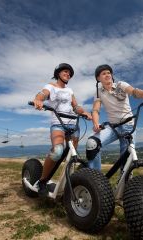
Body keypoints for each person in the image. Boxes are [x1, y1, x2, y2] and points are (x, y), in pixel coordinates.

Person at [86, 64, 143, 171]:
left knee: (126, 161)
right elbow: (95, 110)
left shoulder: (121, 85)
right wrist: (96, 124)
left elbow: (134, 92)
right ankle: (94, 179)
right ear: (98, 78)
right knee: (92, 144)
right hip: (113, 127)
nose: (107, 75)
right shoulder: (98, 92)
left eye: (109, 72)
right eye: (103, 73)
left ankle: (124, 184)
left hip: (128, 126)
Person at [33, 63, 92, 196]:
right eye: (65, 72)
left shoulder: (70, 91)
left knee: (72, 155)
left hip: (73, 124)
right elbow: (42, 94)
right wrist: (38, 99)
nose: (68, 74)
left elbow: (75, 106)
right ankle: (42, 181)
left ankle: (68, 183)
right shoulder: (51, 86)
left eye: (69, 73)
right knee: (57, 151)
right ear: (58, 73)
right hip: (58, 124)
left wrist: (84, 112)